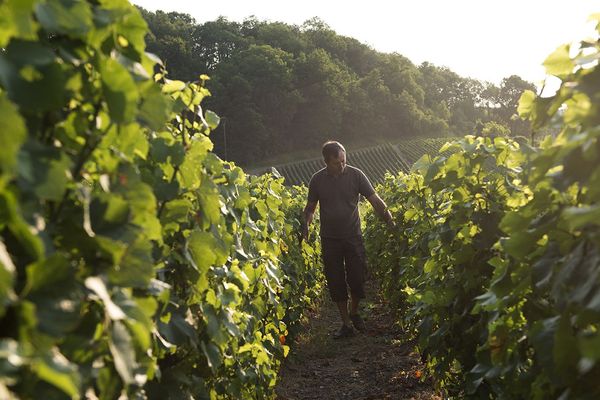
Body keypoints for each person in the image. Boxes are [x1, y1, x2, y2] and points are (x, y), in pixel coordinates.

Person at [302, 141, 395, 339]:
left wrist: (389, 219)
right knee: (335, 280)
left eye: (344, 161)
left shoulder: (356, 175)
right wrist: (306, 225)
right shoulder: (317, 180)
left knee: (357, 277)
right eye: (337, 163)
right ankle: (346, 323)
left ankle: (354, 312)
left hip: (353, 235)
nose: (342, 165)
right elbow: (310, 207)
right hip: (330, 238)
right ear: (326, 161)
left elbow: (374, 199)